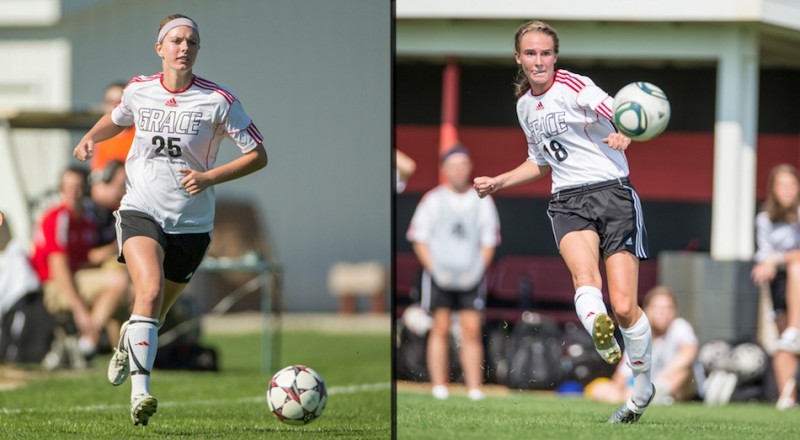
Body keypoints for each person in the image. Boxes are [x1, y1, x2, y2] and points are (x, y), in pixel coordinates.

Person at [72, 14, 268, 426]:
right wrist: (91, 136)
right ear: (159, 48)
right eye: (176, 40)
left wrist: (208, 177)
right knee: (149, 290)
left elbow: (258, 155)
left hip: (192, 224)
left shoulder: (219, 100)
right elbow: (118, 116)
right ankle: (140, 394)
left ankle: (130, 338)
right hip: (140, 210)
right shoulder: (140, 90)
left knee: (155, 312)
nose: (184, 48)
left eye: (191, 42)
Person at [472, 20, 654, 423]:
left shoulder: (574, 85)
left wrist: (625, 132)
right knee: (585, 279)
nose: (539, 61)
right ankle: (599, 332)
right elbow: (540, 161)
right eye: (531, 53)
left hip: (613, 192)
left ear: (556, 56)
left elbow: (620, 113)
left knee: (625, 305)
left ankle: (641, 389)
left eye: (546, 53)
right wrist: (500, 180)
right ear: (519, 58)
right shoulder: (524, 106)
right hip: (567, 200)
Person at [406, 144, 500, 401]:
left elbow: (489, 241)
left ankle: (473, 388)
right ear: (444, 169)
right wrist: (435, 270)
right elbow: (419, 238)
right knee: (440, 327)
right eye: (453, 165)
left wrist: (478, 269)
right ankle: (439, 385)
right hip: (441, 277)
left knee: (471, 329)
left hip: (470, 276)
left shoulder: (482, 201)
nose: (458, 170)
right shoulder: (433, 199)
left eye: (463, 164)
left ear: (469, 167)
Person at [30, 166, 130, 365]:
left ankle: (123, 355)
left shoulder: (86, 218)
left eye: (77, 187)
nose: (72, 192)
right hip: (55, 286)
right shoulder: (58, 217)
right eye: (67, 187)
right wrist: (80, 310)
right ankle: (87, 342)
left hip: (75, 278)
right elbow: (59, 268)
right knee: (119, 282)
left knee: (125, 286)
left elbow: (87, 258)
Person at [586, 286, 701, 405]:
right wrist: (616, 390)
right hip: (644, 388)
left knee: (684, 371)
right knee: (600, 388)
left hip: (677, 388)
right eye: (658, 308)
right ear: (646, 310)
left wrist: (660, 380)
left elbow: (689, 352)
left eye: (669, 308)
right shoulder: (639, 335)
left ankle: (652, 396)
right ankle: (646, 397)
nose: (663, 313)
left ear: (675, 312)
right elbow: (622, 375)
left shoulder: (679, 327)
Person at [750, 163, 800, 410]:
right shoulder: (764, 218)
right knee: (785, 344)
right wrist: (765, 265)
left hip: (796, 274)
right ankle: (787, 396)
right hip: (779, 283)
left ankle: (795, 326)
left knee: (797, 267)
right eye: (783, 186)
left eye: (792, 185)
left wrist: (778, 259)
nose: (788, 191)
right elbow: (764, 254)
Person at [91, 82, 136, 173]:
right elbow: (97, 172)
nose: (114, 107)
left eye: (119, 103)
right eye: (109, 102)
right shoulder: (99, 138)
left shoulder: (140, 134)